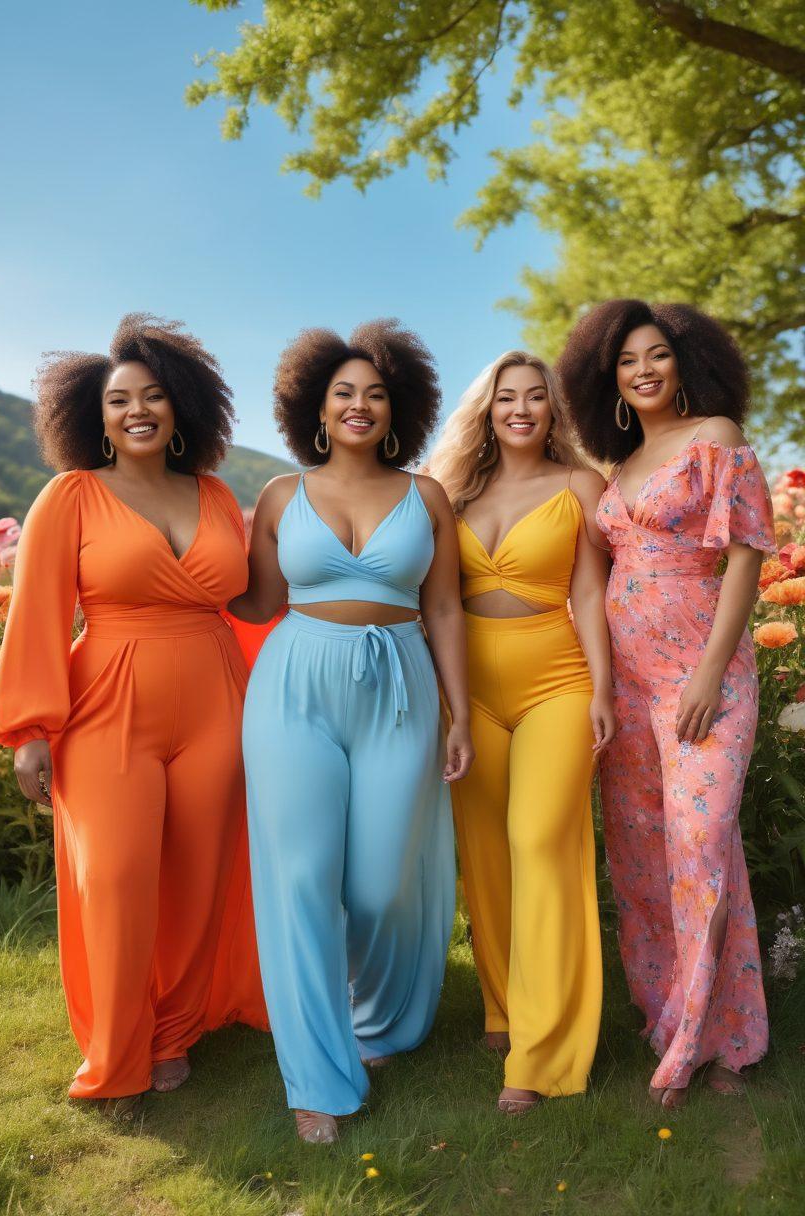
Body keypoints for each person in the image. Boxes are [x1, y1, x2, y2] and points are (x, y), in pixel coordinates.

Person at [0, 314, 267, 1115]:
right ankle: (116, 1049)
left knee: (198, 875)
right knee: (112, 877)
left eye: (152, 395)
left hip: (215, 695)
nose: (137, 410)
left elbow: (249, 595)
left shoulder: (214, 492)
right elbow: (38, 612)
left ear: (181, 406)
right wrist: (32, 729)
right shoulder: (71, 495)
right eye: (118, 400)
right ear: (95, 416)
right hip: (107, 700)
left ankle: (174, 1031)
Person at [229, 320, 473, 1143]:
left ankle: (375, 1020)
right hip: (294, 688)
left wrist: (460, 708)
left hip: (401, 688)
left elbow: (441, 606)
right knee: (299, 881)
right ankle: (316, 1082)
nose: (360, 405)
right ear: (316, 409)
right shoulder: (277, 497)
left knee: (376, 884)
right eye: (344, 394)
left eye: (374, 393)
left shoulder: (425, 496)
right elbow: (258, 602)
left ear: (396, 406)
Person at [558, 299, 775, 1109]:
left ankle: (691, 1047)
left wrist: (712, 673)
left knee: (701, 844)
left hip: (702, 676)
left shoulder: (714, 436)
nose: (643, 370)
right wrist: (605, 686)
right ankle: (700, 1024)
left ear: (684, 361)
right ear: (606, 379)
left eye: (656, 355)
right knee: (647, 864)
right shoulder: (618, 469)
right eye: (626, 362)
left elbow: (750, 553)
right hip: (632, 680)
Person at [428, 351, 611, 1113]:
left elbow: (592, 593)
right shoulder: (452, 491)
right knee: (486, 855)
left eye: (538, 397)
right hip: (470, 692)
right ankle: (504, 1008)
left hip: (556, 681)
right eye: (508, 398)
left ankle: (542, 1054)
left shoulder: (581, 486)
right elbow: (430, 599)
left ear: (554, 410)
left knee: (540, 843)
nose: (523, 409)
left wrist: (603, 688)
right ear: (488, 408)